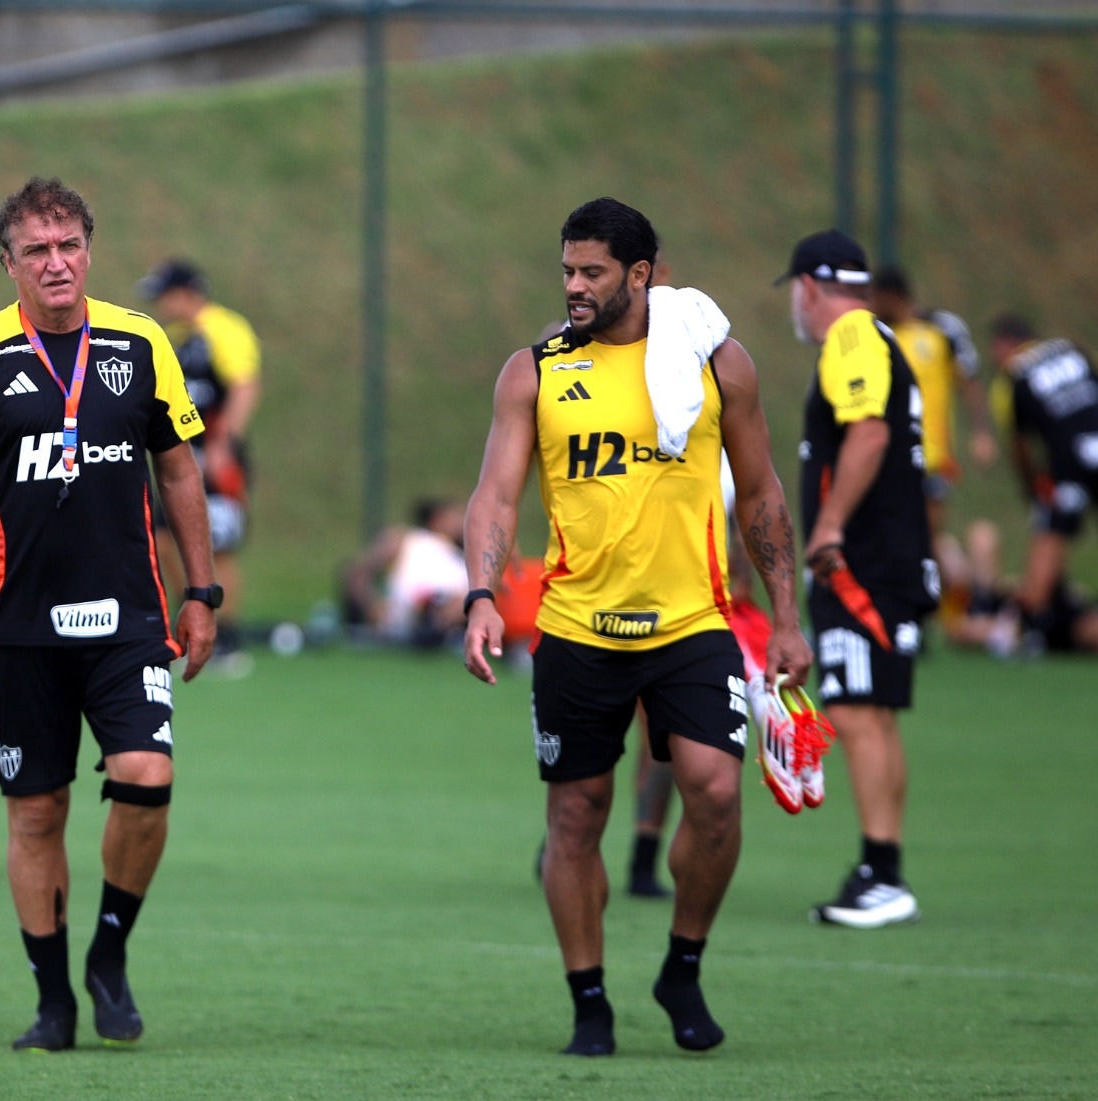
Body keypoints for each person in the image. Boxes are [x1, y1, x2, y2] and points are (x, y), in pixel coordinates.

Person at [464, 197, 812, 1057]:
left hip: (692, 623)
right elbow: (496, 494)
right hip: (576, 630)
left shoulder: (717, 363)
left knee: (719, 794)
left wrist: (787, 616)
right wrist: (479, 592)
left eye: (592, 273)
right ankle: (590, 1001)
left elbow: (762, 494)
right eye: (567, 271)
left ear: (642, 274)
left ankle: (682, 965)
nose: (574, 288)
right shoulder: (534, 371)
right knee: (576, 818)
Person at [0, 178, 218, 1052]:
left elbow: (181, 470)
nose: (57, 262)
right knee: (35, 814)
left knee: (147, 778)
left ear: (90, 248)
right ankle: (53, 1002)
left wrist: (202, 592)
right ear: (8, 263)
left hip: (127, 618)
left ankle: (109, 954)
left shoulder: (140, 339)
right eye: (37, 250)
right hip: (13, 626)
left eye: (70, 244)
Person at [777, 229, 940, 929]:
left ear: (810, 285)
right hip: (889, 559)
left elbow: (869, 431)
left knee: (857, 711)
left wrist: (830, 524)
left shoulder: (850, 337)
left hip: (863, 565)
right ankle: (882, 863)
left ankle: (882, 873)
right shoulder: (876, 337)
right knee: (873, 712)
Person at [986, 313, 1098, 648]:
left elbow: (1018, 443)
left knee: (1049, 536)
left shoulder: (1011, 378)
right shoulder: (1071, 350)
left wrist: (1032, 485)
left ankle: (1031, 625)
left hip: (1069, 461)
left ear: (1006, 345)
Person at [136, 258, 261, 665]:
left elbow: (244, 386)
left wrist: (227, 442)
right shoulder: (173, 336)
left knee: (219, 543)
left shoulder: (224, 328)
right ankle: (190, 611)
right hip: (181, 459)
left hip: (217, 457)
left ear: (187, 294)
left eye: (164, 296)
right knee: (163, 536)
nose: (160, 305)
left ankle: (228, 636)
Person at [870, 266, 996, 626]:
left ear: (892, 297)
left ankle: (923, 612)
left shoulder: (943, 329)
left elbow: (968, 382)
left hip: (933, 456)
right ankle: (916, 605)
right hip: (887, 456)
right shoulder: (880, 334)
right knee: (895, 534)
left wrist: (981, 432)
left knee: (924, 536)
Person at [938, 518, 1098, 664]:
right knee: (976, 537)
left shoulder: (1068, 623)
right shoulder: (986, 605)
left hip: (1025, 620)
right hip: (1015, 614)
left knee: (977, 538)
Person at [342, 497, 468, 647]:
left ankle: (432, 629)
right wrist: (372, 609)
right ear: (437, 518)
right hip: (402, 619)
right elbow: (358, 572)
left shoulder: (464, 556)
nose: (461, 520)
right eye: (454, 515)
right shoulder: (407, 539)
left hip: (446, 619)